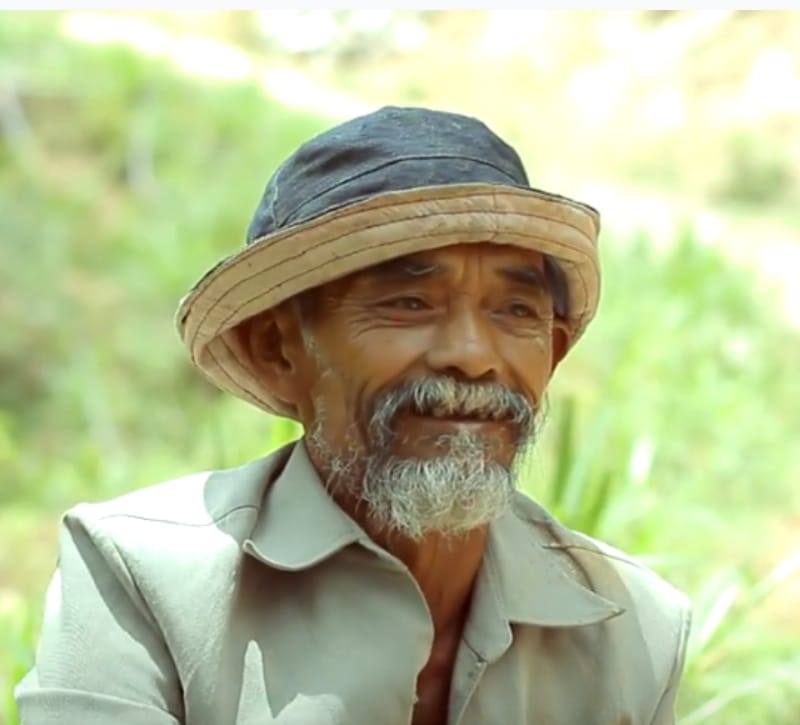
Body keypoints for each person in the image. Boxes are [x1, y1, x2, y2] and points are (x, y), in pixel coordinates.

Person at [16, 106, 691, 725]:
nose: (472, 355)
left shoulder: (634, 629)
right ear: (279, 349)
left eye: (515, 311)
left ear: (555, 352)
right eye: (408, 302)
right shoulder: (144, 575)